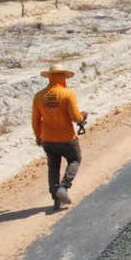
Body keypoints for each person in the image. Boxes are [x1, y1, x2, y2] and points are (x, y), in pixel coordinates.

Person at [32, 63, 88, 210]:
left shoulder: (39, 96)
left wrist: (38, 136)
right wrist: (83, 116)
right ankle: (64, 186)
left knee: (53, 167)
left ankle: (56, 201)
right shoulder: (67, 94)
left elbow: (35, 120)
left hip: (48, 139)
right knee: (75, 159)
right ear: (63, 77)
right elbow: (76, 118)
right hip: (67, 138)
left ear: (50, 77)